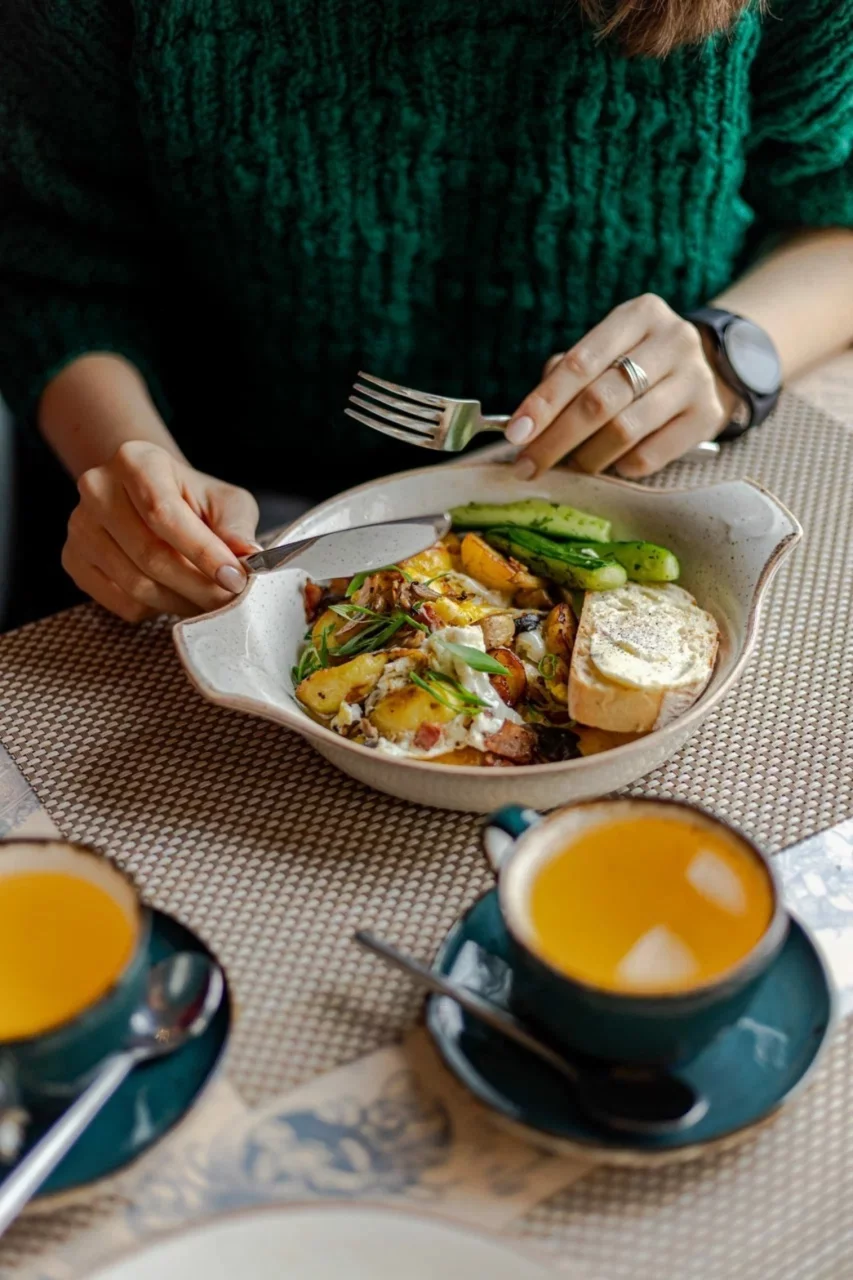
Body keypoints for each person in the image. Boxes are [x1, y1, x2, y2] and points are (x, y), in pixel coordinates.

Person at [1, 0, 852, 624]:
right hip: (248, 520)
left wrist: (726, 350)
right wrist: (131, 478)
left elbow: (836, 215)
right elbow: (50, 265)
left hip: (650, 498)